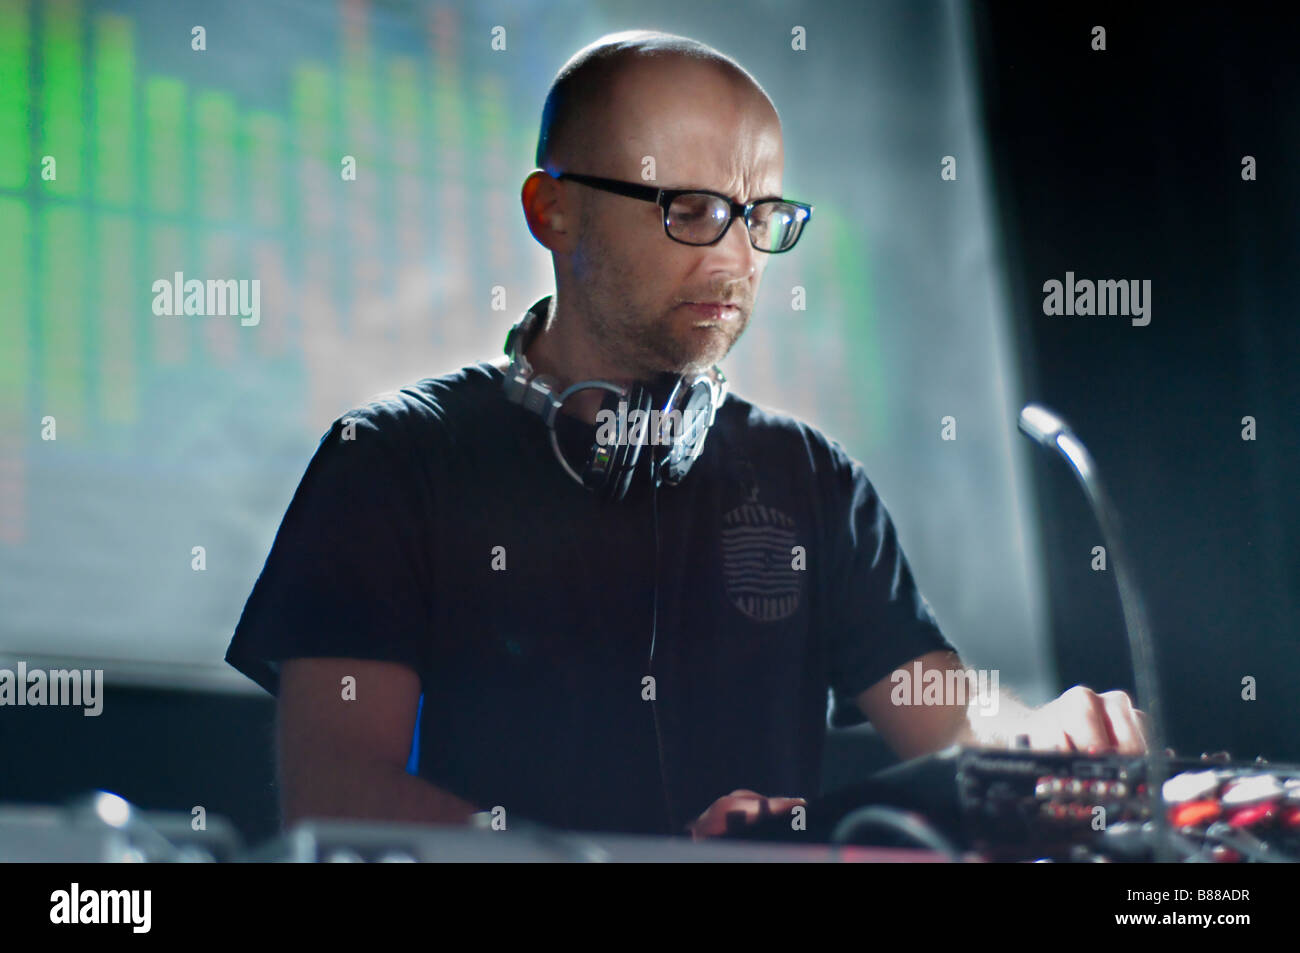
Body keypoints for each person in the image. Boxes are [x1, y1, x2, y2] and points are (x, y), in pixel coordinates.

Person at [225, 30, 1149, 841]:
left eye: (760, 216)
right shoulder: (391, 458)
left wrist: (1040, 741)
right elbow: (337, 790)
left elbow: (944, 721)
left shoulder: (810, 480)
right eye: (692, 209)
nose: (737, 257)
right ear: (554, 211)